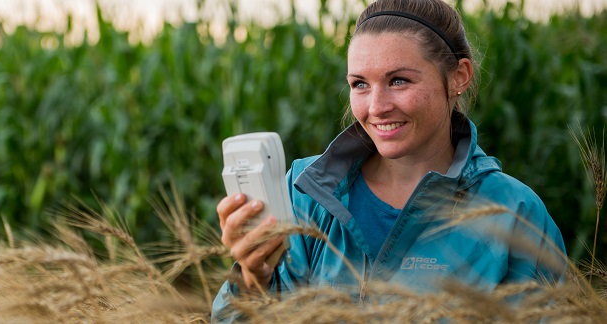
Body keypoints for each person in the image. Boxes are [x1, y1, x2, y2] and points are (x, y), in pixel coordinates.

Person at [211, 0, 567, 321]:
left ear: (459, 77)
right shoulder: (305, 191)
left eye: (398, 80)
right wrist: (251, 278)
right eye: (360, 84)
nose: (376, 107)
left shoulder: (515, 214)